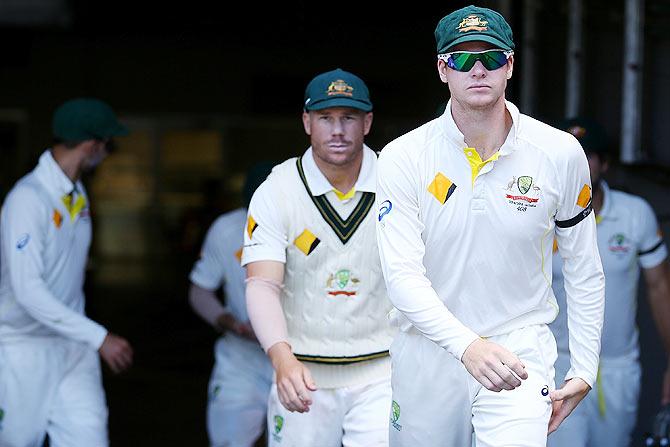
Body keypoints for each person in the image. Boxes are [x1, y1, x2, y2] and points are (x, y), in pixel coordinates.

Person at [375, 5, 605, 446]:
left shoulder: (560, 152)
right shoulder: (403, 156)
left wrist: (584, 366)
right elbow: (402, 276)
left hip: (519, 347)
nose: (477, 69)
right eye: (461, 58)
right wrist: (467, 345)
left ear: (510, 65)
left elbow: (583, 267)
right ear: (443, 69)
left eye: (491, 57)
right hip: (427, 349)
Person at [242, 68, 396, 446]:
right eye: (326, 118)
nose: (338, 130)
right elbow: (262, 283)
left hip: (384, 370)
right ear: (307, 122)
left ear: (368, 122)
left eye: (349, 118)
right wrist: (281, 359)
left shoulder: (398, 178)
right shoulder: (277, 189)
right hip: (301, 371)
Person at [0, 98, 134, 446]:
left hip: (73, 348)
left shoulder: (76, 193)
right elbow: (27, 290)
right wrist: (99, 337)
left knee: (88, 438)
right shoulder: (28, 199)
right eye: (109, 144)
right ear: (93, 144)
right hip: (22, 348)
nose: (108, 153)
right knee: (18, 440)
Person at [548, 117, 670, 447]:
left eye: (587, 155)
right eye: (569, 154)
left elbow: (660, 288)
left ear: (604, 162)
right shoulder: (538, 216)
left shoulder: (635, 214)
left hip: (618, 366)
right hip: (557, 363)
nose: (578, 164)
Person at [188, 161, 276, 447]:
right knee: (228, 440)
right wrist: (231, 323)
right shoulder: (227, 229)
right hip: (240, 361)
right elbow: (200, 291)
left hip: (299, 360)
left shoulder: (311, 230)